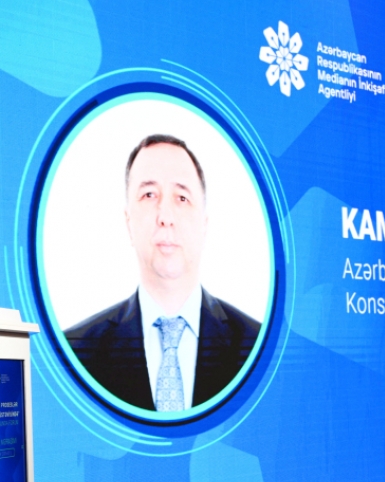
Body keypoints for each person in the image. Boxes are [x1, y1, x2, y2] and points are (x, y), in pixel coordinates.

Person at [66, 135, 260, 412]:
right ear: (128, 222)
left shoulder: (258, 348)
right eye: (149, 195)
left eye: (182, 197)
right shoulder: (75, 353)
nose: (165, 216)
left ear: (204, 224)